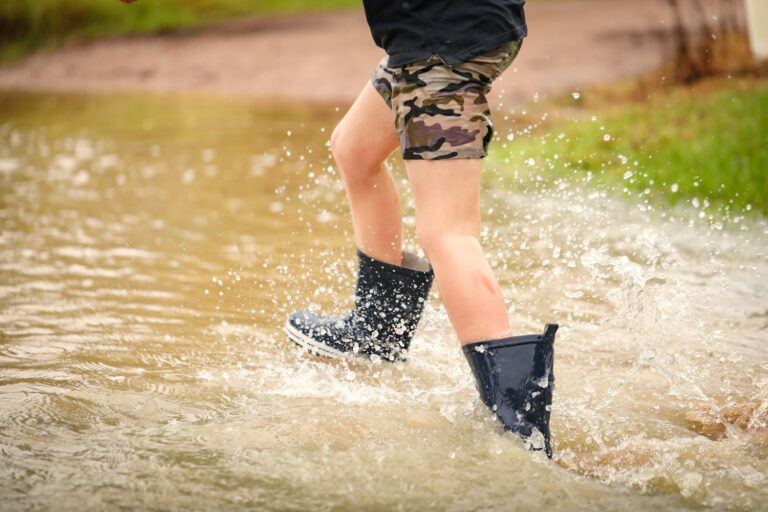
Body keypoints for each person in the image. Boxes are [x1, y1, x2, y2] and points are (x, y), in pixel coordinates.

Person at [286, 0, 559, 457]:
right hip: (430, 38)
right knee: (353, 148)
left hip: (440, 47)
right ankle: (377, 332)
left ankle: (519, 424)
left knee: (448, 232)